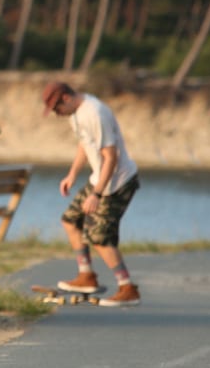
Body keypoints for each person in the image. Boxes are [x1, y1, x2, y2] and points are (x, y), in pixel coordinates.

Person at [43, 81, 141, 306]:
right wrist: (72, 174)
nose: (57, 114)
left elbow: (111, 157)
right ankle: (87, 276)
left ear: (66, 98)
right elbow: (84, 144)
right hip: (99, 178)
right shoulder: (76, 113)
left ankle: (127, 288)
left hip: (118, 182)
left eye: (57, 108)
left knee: (100, 237)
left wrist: (96, 195)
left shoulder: (95, 113)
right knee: (70, 220)